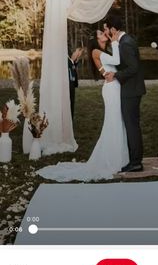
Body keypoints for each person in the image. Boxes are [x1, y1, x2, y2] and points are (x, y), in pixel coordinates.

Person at [36, 29, 129, 182]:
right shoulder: (96, 52)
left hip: (115, 87)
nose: (104, 34)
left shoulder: (104, 51)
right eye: (100, 33)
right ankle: (111, 158)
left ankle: (119, 156)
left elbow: (114, 65)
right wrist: (114, 41)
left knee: (117, 121)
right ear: (96, 39)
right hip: (111, 89)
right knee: (113, 122)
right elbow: (117, 61)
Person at [104, 15, 146, 172]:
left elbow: (133, 68)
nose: (105, 32)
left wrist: (115, 75)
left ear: (113, 30)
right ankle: (134, 158)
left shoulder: (125, 44)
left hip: (131, 91)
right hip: (131, 89)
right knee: (131, 125)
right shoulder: (124, 41)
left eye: (106, 29)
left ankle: (136, 162)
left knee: (132, 126)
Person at [68, 48, 83, 119]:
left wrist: (77, 59)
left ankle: (70, 118)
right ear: (73, 53)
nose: (78, 54)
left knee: (72, 103)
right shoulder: (67, 61)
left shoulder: (71, 61)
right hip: (68, 87)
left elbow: (73, 66)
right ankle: (69, 118)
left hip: (72, 86)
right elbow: (71, 67)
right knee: (69, 103)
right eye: (76, 52)